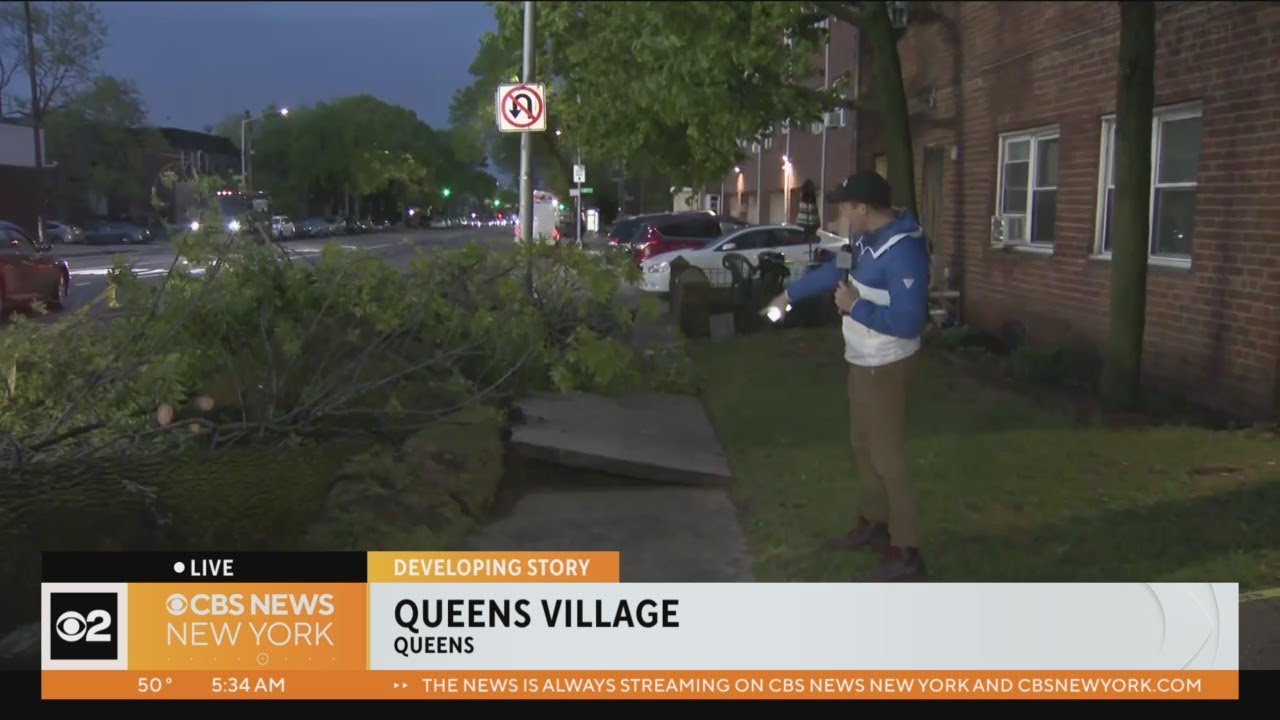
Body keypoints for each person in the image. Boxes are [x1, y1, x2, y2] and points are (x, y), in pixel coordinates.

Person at [765, 170, 931, 582]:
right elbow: (835, 274)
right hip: (861, 360)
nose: (840, 212)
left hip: (887, 365)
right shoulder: (861, 240)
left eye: (845, 206)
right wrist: (788, 295)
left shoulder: (903, 252)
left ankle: (908, 550)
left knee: (888, 459)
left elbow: (910, 321)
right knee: (862, 446)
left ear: (863, 208)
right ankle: (876, 523)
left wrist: (856, 307)